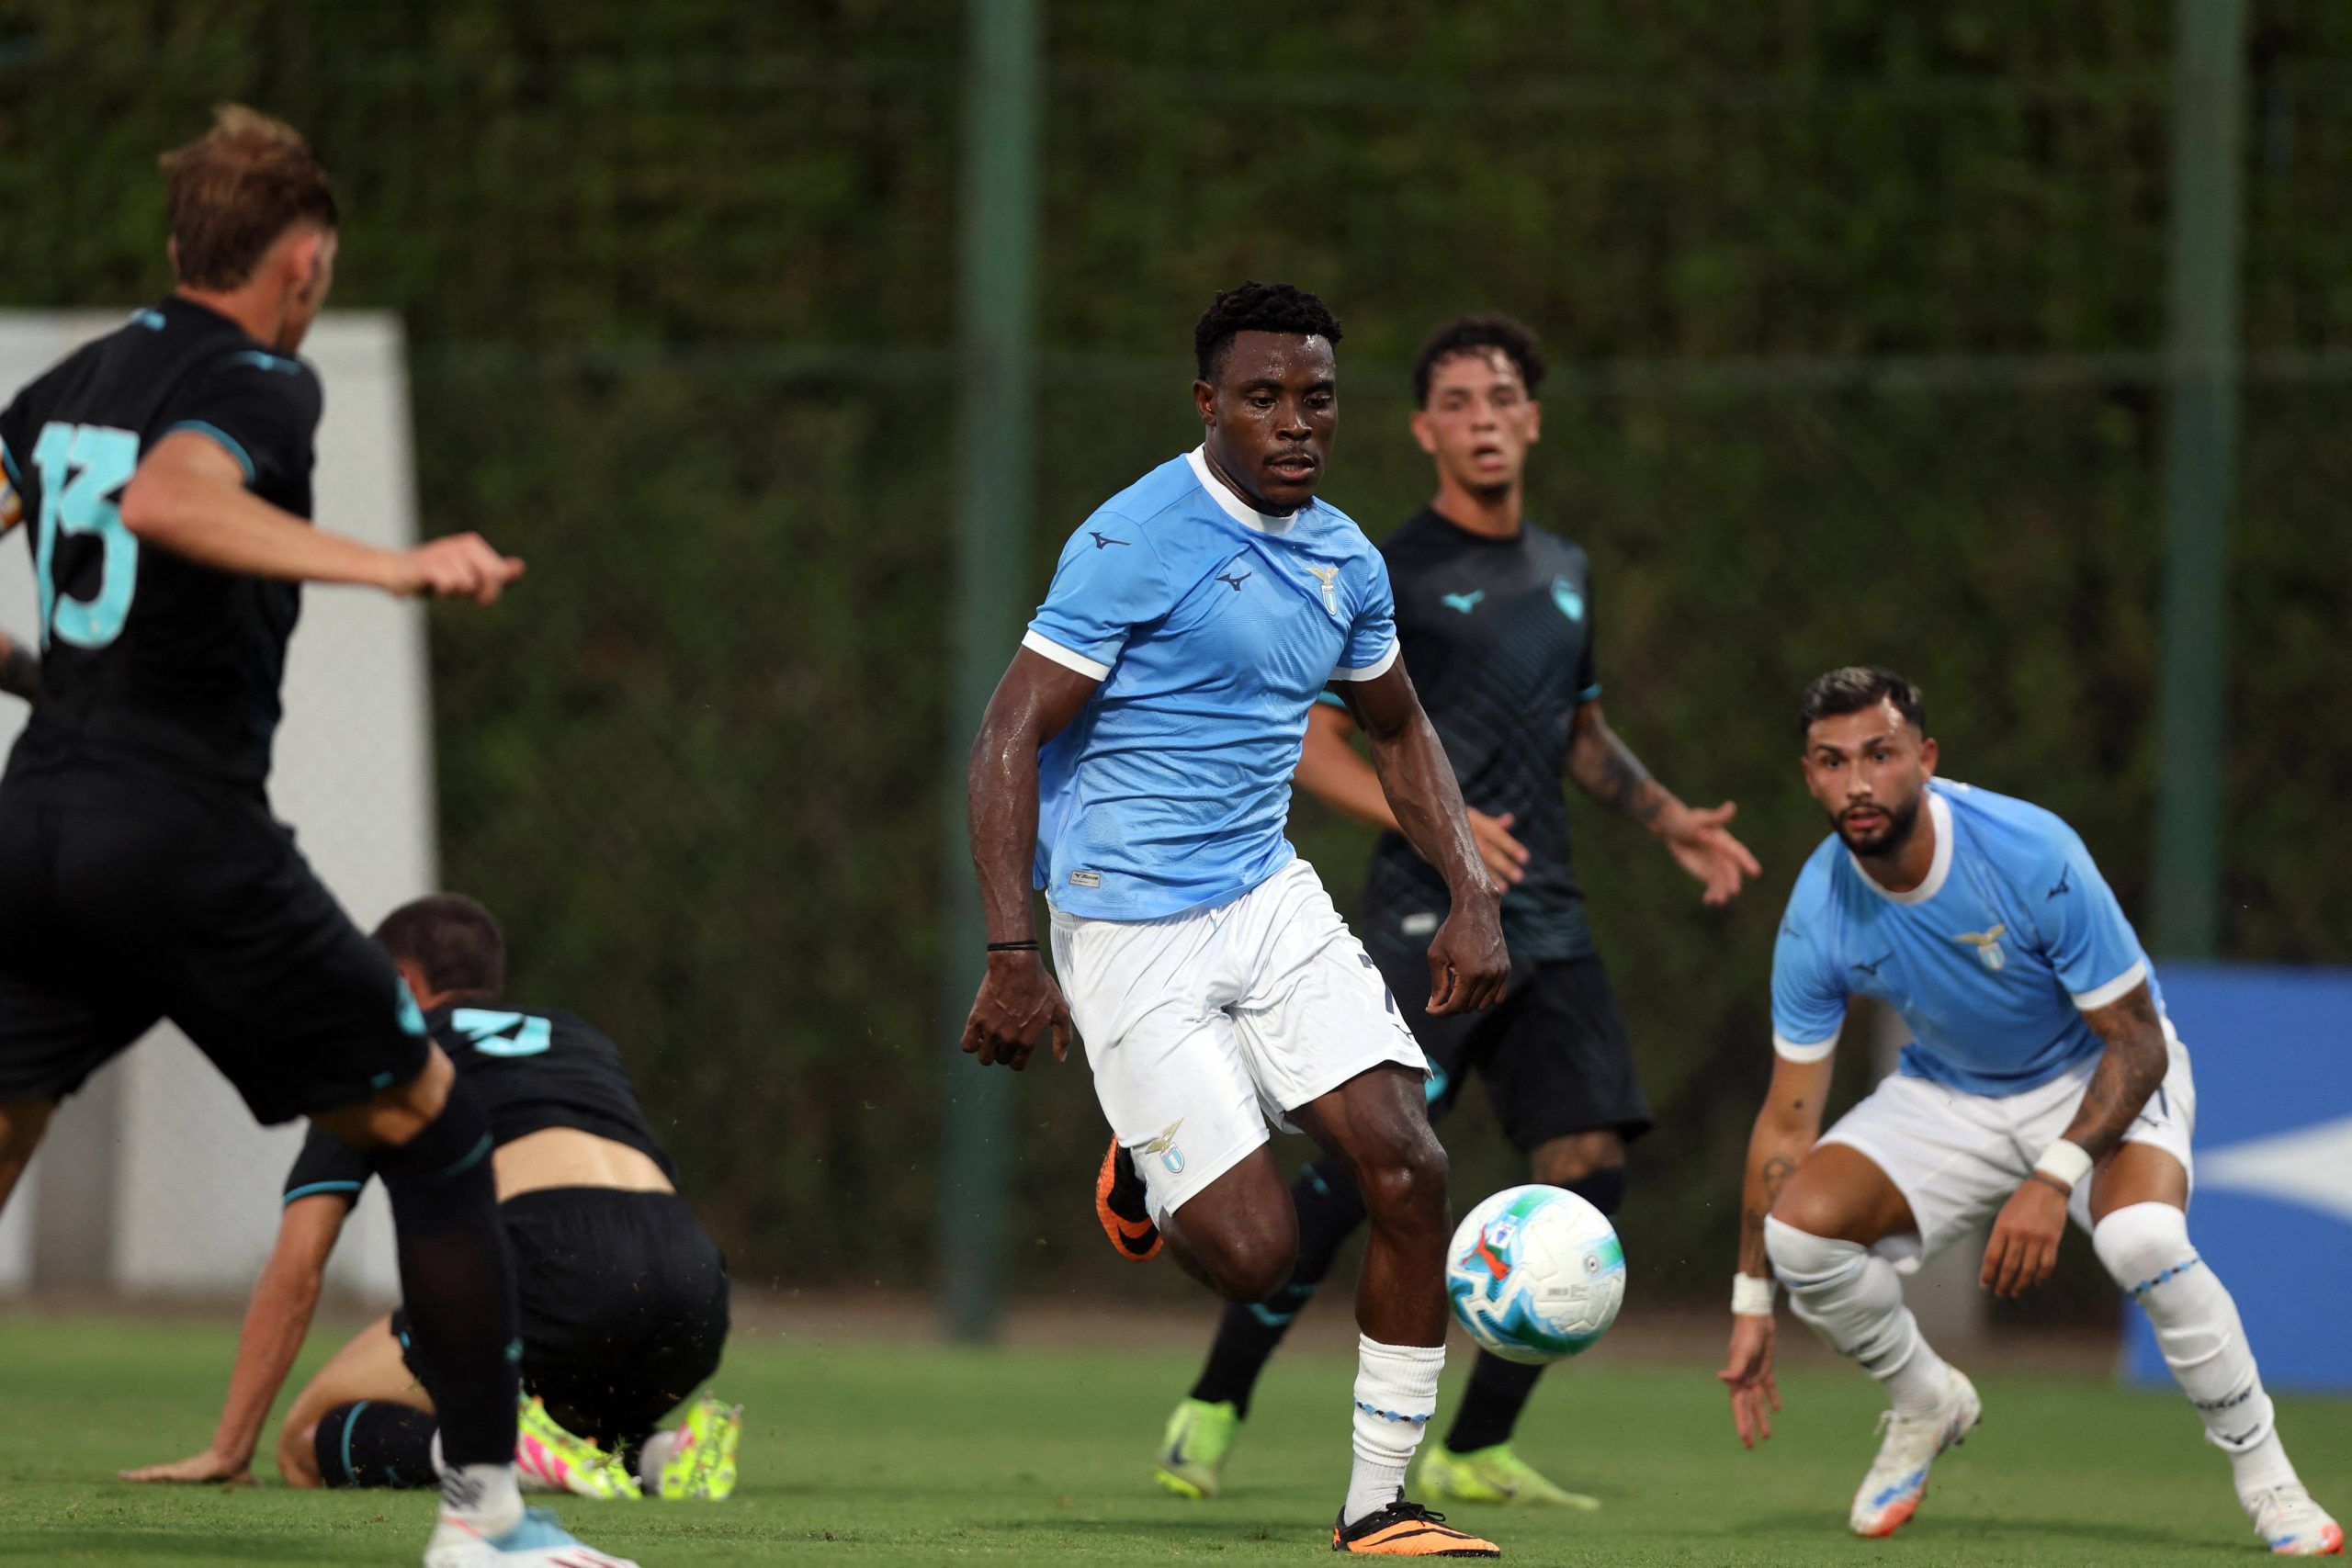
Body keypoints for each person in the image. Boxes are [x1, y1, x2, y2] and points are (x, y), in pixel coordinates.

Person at [0, 107, 628, 1568]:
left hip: (34, 830)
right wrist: (390, 564)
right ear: (304, 257)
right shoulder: (257, 378)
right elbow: (173, 495)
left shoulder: (72, 381)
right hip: (181, 835)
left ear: (174, 246)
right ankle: (486, 1520)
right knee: (432, 1120)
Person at [1156, 313, 1759, 1509]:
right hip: (1423, 930)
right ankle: (1218, 1397)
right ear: (1427, 428)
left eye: (1504, 398)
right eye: (1460, 402)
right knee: (1359, 1176)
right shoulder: (1387, 571)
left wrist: (1669, 815)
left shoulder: (1568, 568)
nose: (1485, 418)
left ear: (1531, 418)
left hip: (1551, 923)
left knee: (1590, 1174)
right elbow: (1315, 746)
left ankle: (1472, 1442)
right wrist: (1430, 826)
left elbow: (1578, 731)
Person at [960, 282, 1510, 1558]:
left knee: (1410, 1167)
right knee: (1259, 1256)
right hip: (1127, 925)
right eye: (1261, 397)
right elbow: (1005, 734)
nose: (1294, 421)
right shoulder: (1130, 541)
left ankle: (1382, 1500)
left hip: (1267, 897)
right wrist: (1011, 951)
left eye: (1315, 397)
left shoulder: (1345, 556)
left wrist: (1472, 893)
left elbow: (1398, 730)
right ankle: (1147, 1166)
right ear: (1208, 403)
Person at [1718, 667, 2342, 1555]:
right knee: (1800, 1240)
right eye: (1832, 760)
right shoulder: (1818, 912)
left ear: (1924, 759)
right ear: (1809, 776)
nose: (1858, 781)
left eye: (1880, 754)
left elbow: (2138, 1042)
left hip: (2098, 1066)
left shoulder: (2028, 850)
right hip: (1952, 1090)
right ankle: (1926, 1398)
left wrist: (2054, 1177)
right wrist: (1751, 1300)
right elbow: (1787, 1120)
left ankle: (2269, 1477)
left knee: (2144, 1243)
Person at [122, 895, 738, 1504]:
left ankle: (505, 1451)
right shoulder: (579, 1037)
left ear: (399, 980)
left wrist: (231, 1447)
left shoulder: (385, 1048)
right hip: (692, 1285)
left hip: (553, 1260)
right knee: (558, 1401)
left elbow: (300, 1261)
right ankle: (660, 1457)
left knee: (305, 1442)